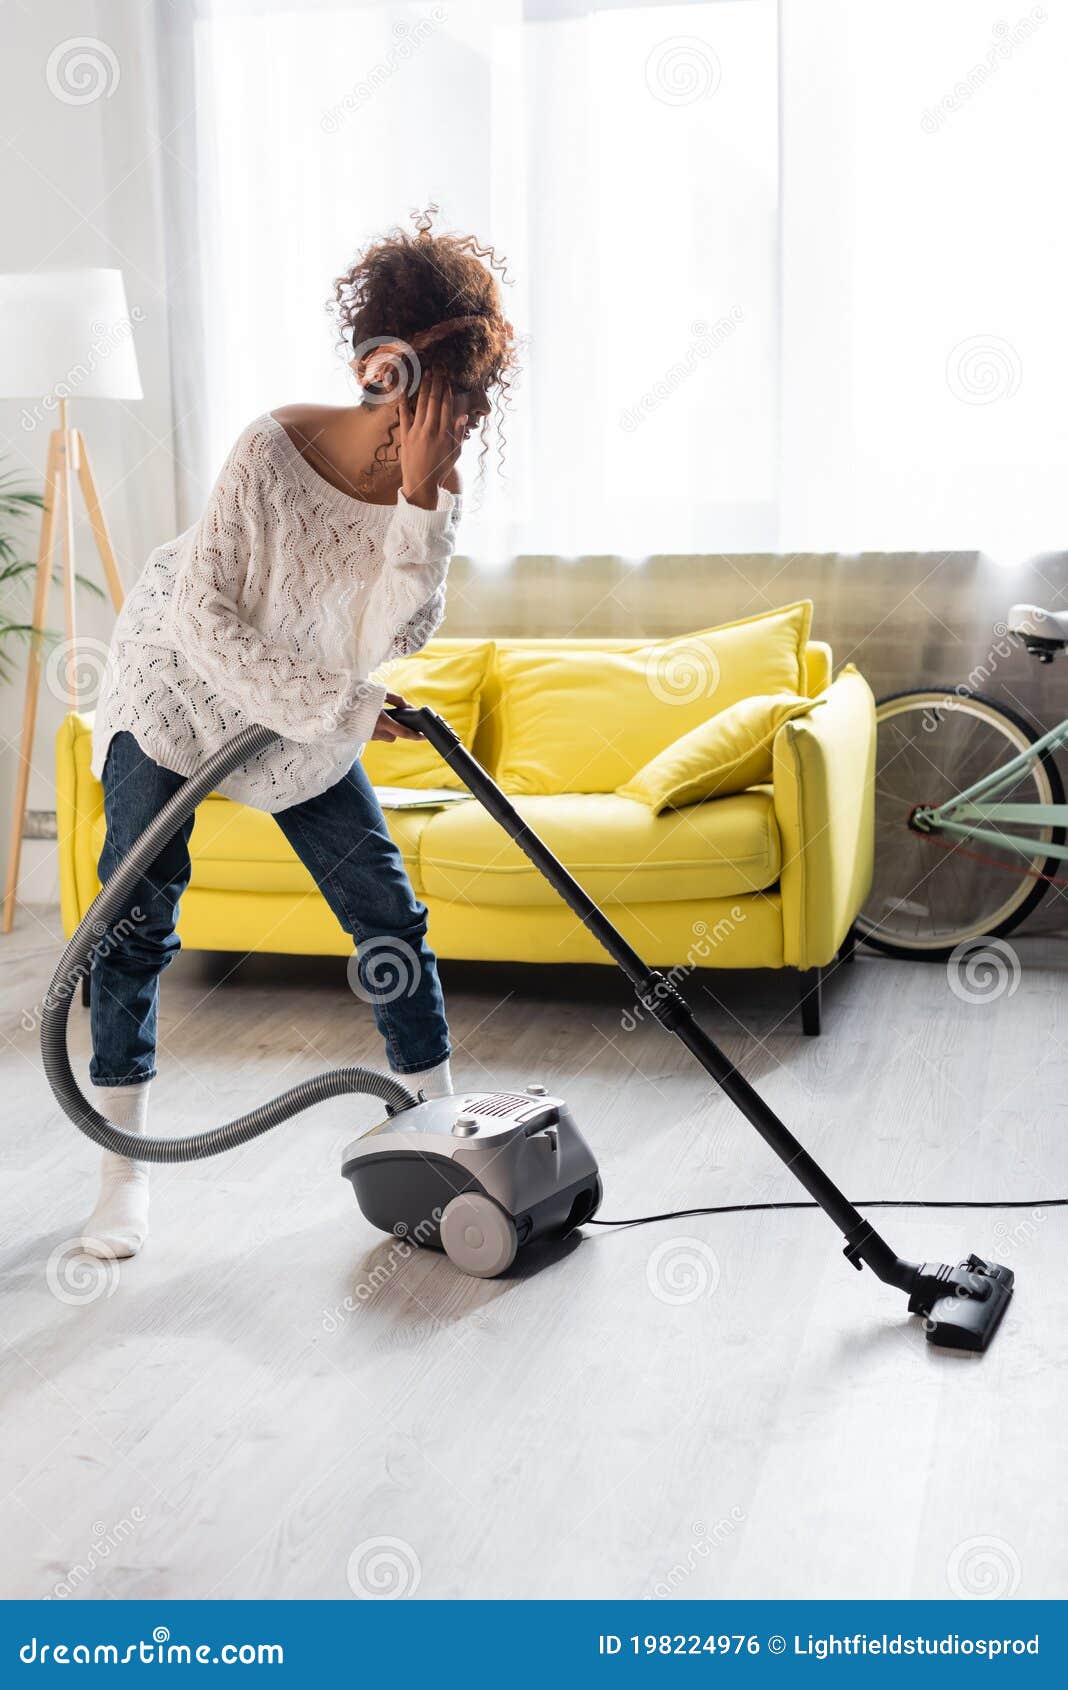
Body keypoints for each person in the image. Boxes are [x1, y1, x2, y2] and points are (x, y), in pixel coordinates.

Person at [82, 215, 517, 1259]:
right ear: (389, 371)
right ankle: (120, 1176)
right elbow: (204, 621)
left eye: (475, 403)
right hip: (175, 688)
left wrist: (420, 497)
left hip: (302, 712)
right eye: (453, 397)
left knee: (386, 913)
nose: (465, 422)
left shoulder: (437, 489)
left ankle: (440, 1135)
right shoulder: (272, 450)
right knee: (135, 917)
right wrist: (348, 708)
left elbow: (397, 635)